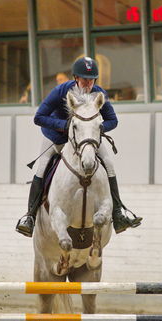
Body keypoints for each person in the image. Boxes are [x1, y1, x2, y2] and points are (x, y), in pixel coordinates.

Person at [16, 56, 142, 237]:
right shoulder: (60, 91)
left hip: (86, 140)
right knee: (41, 168)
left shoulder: (99, 94)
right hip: (56, 138)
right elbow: (39, 117)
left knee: (109, 163)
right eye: (85, 79)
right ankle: (29, 217)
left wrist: (94, 129)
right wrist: (64, 126)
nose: (88, 84)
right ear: (76, 78)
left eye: (91, 80)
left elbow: (113, 120)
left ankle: (118, 213)